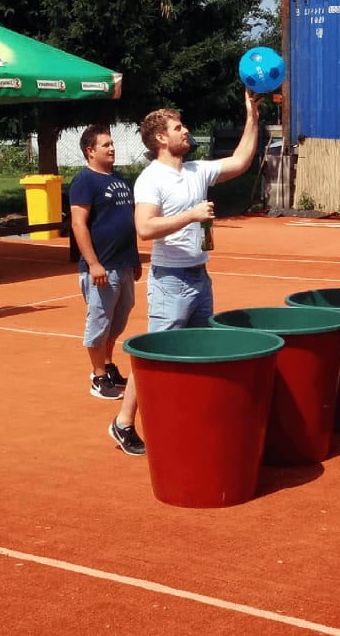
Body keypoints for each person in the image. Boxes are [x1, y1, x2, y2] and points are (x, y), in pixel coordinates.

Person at [107, 89, 261, 456]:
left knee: (200, 352)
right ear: (161, 137)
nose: (186, 131)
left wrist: (252, 116)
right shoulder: (151, 178)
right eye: (179, 127)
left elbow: (240, 161)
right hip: (170, 281)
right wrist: (190, 216)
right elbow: (144, 229)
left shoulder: (197, 170)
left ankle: (191, 420)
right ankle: (123, 423)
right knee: (154, 354)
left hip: (198, 276)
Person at [69, 125, 142, 405]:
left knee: (119, 319)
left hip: (123, 264)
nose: (112, 148)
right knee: (99, 322)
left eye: (112, 144)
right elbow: (78, 224)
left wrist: (133, 259)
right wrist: (93, 263)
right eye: (105, 145)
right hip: (101, 268)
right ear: (90, 151)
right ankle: (98, 376)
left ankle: (108, 364)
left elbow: (127, 221)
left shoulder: (119, 178)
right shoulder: (84, 181)